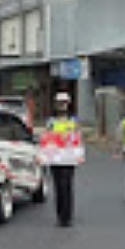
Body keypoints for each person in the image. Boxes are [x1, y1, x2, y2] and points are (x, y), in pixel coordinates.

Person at [47, 92, 78, 227]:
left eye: (64, 103)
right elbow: (46, 139)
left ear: (68, 104)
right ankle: (60, 215)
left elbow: (78, 139)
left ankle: (67, 216)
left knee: (67, 186)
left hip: (69, 157)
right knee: (58, 187)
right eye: (60, 103)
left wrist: (79, 155)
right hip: (55, 157)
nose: (62, 106)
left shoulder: (73, 121)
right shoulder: (51, 122)